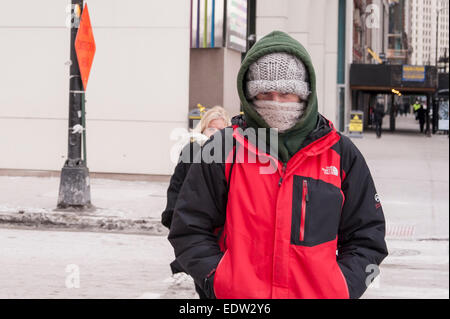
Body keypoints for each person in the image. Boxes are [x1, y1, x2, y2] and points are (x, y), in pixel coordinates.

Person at [168, 31, 388, 299]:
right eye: (265, 93)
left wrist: (341, 287)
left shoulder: (340, 154)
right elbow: (188, 228)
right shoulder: (223, 149)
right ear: (249, 96)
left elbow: (368, 237)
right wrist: (220, 281)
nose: (276, 103)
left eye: (286, 93)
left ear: (304, 95)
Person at [161, 105, 230, 298]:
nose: (215, 133)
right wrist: (174, 216)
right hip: (194, 221)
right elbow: (177, 185)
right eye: (211, 128)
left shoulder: (230, 155)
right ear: (203, 129)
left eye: (221, 129)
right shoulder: (193, 151)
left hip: (222, 228)